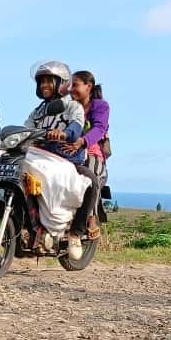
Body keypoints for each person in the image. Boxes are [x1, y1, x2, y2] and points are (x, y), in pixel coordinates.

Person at [25, 61, 90, 259]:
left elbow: (75, 129)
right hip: (41, 157)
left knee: (91, 184)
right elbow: (25, 129)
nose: (44, 85)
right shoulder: (37, 111)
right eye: (41, 81)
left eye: (48, 81)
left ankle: (75, 234)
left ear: (61, 83)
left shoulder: (72, 107)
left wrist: (62, 134)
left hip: (66, 158)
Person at [61, 70, 108, 243]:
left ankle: (90, 218)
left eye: (75, 85)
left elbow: (99, 129)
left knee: (89, 175)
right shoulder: (68, 107)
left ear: (88, 86)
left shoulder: (100, 106)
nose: (71, 89)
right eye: (69, 85)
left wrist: (83, 141)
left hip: (90, 151)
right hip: (66, 152)